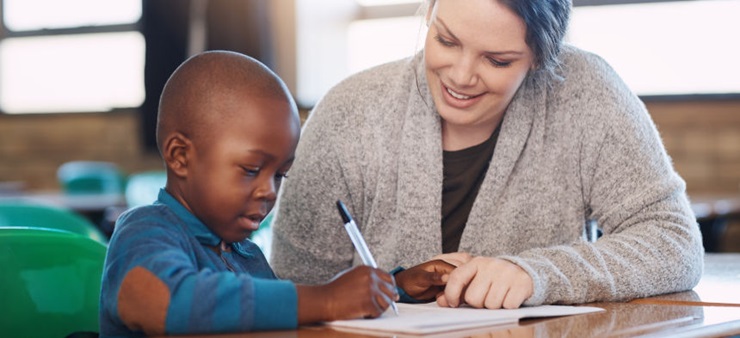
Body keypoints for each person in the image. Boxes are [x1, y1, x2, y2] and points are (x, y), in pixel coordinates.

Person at [271, 0, 704, 310]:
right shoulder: (350, 111)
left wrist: (537, 274)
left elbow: (673, 242)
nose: (460, 76)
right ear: (429, 13)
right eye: (445, 40)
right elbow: (292, 286)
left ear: (539, 58)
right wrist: (392, 288)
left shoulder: (585, 92)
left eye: (497, 60)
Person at [99, 50, 452, 337]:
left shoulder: (245, 254)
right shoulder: (145, 230)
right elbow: (163, 304)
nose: (269, 191)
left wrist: (390, 287)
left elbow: (271, 308)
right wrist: (327, 299)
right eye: (251, 170)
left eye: (281, 174)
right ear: (180, 156)